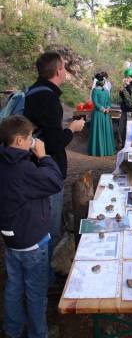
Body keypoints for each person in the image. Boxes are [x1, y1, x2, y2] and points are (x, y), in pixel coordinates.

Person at [0, 115, 63, 338]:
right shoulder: (24, 171)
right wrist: (44, 156)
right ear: (18, 141)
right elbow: (54, 182)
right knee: (36, 291)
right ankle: (39, 333)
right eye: (30, 138)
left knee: (14, 286)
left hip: (12, 239)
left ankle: (12, 329)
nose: (32, 142)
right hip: (32, 242)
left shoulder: (6, 163)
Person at [24, 51, 85, 268]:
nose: (66, 70)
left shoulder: (35, 91)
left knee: (44, 224)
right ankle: (44, 279)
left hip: (36, 170)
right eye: (64, 67)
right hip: (47, 172)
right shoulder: (47, 98)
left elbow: (44, 130)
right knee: (48, 227)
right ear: (58, 70)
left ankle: (40, 273)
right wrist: (72, 129)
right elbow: (52, 143)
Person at [88, 74, 115, 156]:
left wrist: (105, 108)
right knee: (105, 130)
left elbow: (96, 102)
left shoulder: (96, 91)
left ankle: (98, 150)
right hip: (103, 114)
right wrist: (107, 108)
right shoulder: (104, 91)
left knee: (98, 131)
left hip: (99, 113)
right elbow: (107, 102)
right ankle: (106, 150)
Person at [119, 67, 132, 146]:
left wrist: (128, 85)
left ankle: (129, 144)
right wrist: (121, 91)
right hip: (124, 108)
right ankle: (122, 143)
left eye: (127, 77)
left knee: (130, 128)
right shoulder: (126, 84)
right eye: (126, 77)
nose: (126, 78)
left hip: (131, 109)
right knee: (122, 127)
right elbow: (124, 97)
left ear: (131, 77)